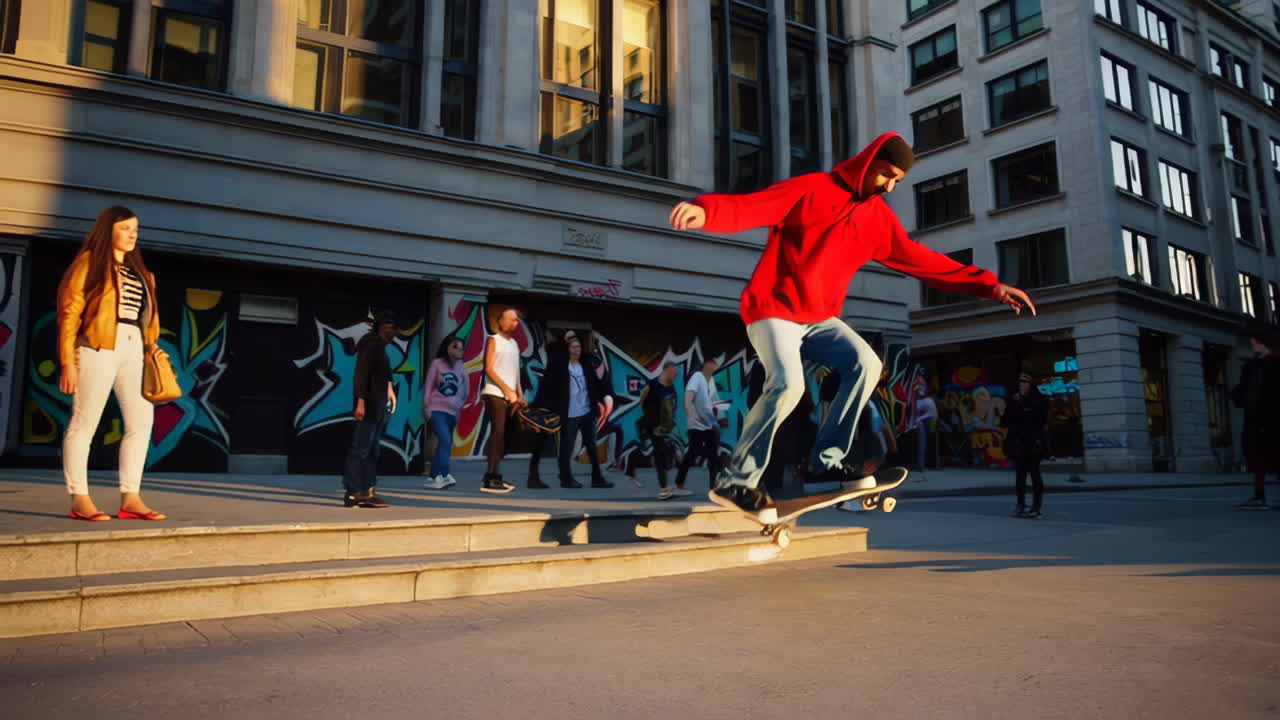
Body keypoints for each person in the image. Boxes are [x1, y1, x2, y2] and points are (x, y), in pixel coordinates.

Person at [669, 132, 1037, 515]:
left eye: (897, 180)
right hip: (773, 310)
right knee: (788, 384)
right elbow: (755, 206)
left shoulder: (877, 219)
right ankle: (736, 481)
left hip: (819, 318)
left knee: (867, 363)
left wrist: (989, 286)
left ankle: (826, 461)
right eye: (885, 175)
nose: (889, 186)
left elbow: (921, 260)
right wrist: (707, 211)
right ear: (868, 162)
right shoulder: (814, 189)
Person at [58, 205, 166, 521]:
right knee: (84, 423)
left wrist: (151, 349)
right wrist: (68, 361)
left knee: (141, 423)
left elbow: (148, 317)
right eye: (125, 228)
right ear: (109, 230)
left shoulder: (141, 271)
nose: (132, 235)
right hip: (97, 346)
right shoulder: (89, 262)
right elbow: (69, 312)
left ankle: (130, 497)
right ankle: (80, 498)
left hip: (134, 347)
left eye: (135, 229)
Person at [538, 334, 614, 488]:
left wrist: (601, 401)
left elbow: (597, 383)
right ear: (567, 349)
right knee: (567, 447)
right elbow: (550, 387)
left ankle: (597, 478)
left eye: (578, 347)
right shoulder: (561, 367)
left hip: (587, 412)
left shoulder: (586, 366)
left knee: (591, 446)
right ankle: (566, 479)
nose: (576, 350)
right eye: (573, 347)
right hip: (569, 414)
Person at [342, 310, 399, 508]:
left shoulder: (381, 348)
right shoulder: (371, 345)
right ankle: (352, 492)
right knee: (360, 449)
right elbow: (361, 374)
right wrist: (360, 402)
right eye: (391, 328)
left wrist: (390, 391)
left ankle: (367, 491)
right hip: (368, 407)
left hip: (378, 408)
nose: (394, 332)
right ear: (382, 328)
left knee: (372, 450)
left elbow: (384, 375)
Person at [1231, 331, 1280, 509]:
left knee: (1268, 455)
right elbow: (1244, 391)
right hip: (1256, 419)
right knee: (1258, 457)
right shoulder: (1252, 366)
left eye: (1254, 343)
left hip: (1268, 418)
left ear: (1263, 344)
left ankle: (1259, 496)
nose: (1252, 346)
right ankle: (1259, 495)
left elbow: (1249, 391)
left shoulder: (1263, 367)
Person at [479, 308, 521, 494]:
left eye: (517, 320)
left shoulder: (514, 344)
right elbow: (489, 369)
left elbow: (516, 372)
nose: (515, 323)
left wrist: (519, 393)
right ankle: (490, 477)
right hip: (494, 392)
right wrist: (506, 390)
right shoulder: (493, 340)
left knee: (508, 435)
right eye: (511, 319)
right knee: (498, 432)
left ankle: (495, 473)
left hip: (511, 395)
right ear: (501, 321)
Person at [527, 329, 574, 489]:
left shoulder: (557, 356)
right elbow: (561, 385)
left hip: (550, 406)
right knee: (562, 444)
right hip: (556, 407)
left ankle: (534, 476)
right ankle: (564, 478)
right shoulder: (562, 357)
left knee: (541, 444)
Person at [423, 334, 468, 490]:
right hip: (437, 409)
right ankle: (443, 475)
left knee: (445, 443)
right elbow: (428, 385)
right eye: (455, 347)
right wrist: (426, 406)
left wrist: (460, 405)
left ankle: (436, 475)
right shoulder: (437, 364)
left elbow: (464, 387)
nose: (459, 350)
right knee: (445, 439)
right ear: (447, 348)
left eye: (461, 348)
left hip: (453, 412)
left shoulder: (460, 366)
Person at [1004, 372, 1048, 518]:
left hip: (1034, 442)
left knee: (1035, 475)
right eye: (1020, 382)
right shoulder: (1015, 400)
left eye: (1025, 382)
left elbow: (1040, 421)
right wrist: (1012, 405)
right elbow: (1005, 421)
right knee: (1020, 477)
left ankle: (1036, 506)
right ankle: (1020, 505)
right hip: (1019, 444)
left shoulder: (1038, 400)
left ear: (1030, 385)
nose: (1022, 385)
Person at [675, 358, 723, 490]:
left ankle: (714, 486)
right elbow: (688, 396)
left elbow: (714, 400)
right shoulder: (697, 377)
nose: (714, 370)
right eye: (712, 367)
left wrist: (720, 416)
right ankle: (679, 482)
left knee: (713, 455)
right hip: (696, 424)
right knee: (692, 453)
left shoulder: (711, 381)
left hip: (709, 423)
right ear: (706, 366)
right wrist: (690, 414)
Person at [638, 362, 684, 499]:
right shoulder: (651, 386)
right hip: (653, 427)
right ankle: (663, 489)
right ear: (664, 371)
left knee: (666, 455)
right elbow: (641, 401)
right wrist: (649, 419)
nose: (674, 376)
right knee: (660, 455)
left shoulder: (671, 387)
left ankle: (665, 486)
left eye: (675, 374)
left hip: (666, 427)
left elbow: (672, 405)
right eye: (672, 373)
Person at [907, 383, 938, 481]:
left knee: (922, 445)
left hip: (927, 425)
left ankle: (922, 465)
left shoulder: (928, 401)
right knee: (920, 445)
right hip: (919, 425)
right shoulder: (916, 401)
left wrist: (918, 418)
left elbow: (932, 414)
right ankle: (920, 465)